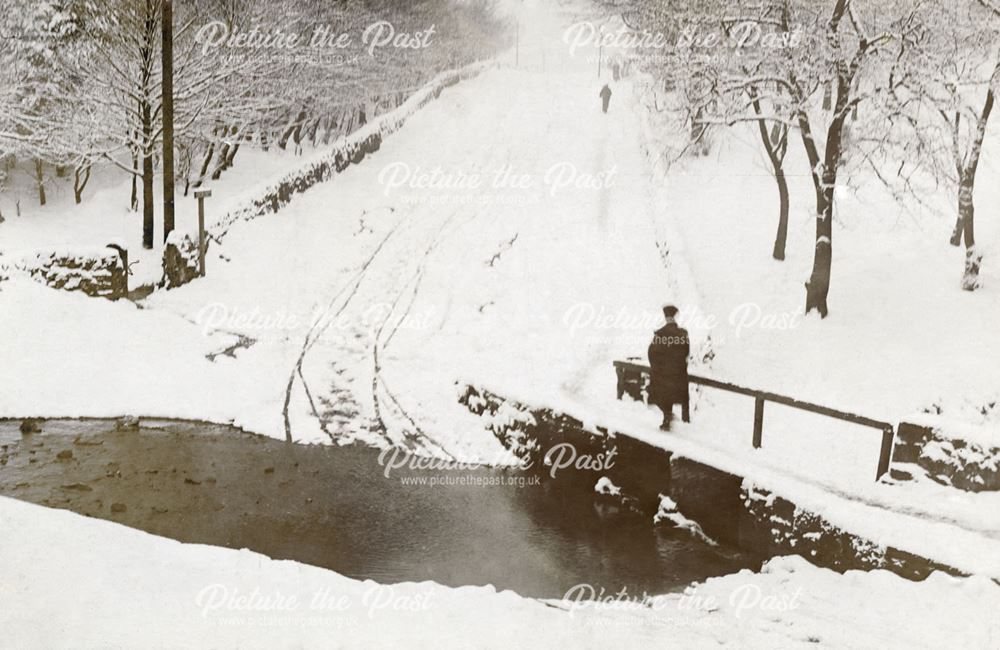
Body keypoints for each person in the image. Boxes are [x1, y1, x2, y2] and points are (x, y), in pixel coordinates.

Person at [647, 305, 690, 431]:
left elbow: (651, 353)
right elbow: (686, 352)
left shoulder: (660, 334)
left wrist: (656, 366)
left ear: (666, 318)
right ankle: (685, 422)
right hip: (677, 373)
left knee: (663, 396)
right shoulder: (682, 334)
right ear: (675, 317)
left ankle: (667, 418)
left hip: (663, 373)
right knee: (675, 395)